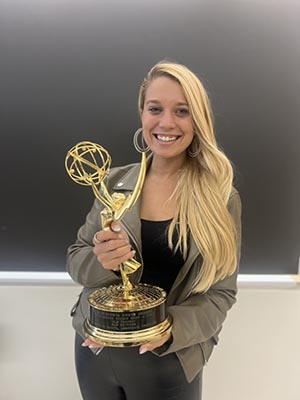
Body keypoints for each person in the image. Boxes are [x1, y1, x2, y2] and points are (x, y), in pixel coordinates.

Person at [66, 61, 242, 400]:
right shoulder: (113, 183)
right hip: (96, 351)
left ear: (198, 120)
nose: (166, 123)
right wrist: (102, 260)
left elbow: (221, 293)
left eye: (182, 111)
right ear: (142, 114)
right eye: (155, 109)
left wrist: (171, 328)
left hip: (167, 360)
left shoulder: (220, 198)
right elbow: (76, 261)